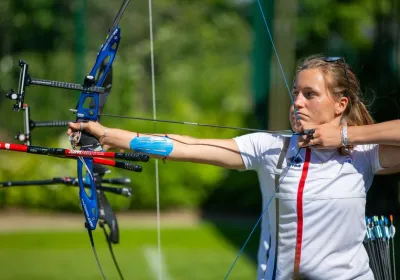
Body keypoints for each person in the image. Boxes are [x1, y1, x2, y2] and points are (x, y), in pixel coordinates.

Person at [68, 55, 400, 279]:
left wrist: (346, 135)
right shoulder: (270, 147)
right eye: (295, 92)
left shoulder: (363, 154)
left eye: (310, 94)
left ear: (339, 104)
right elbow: (186, 146)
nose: (297, 101)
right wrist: (108, 134)